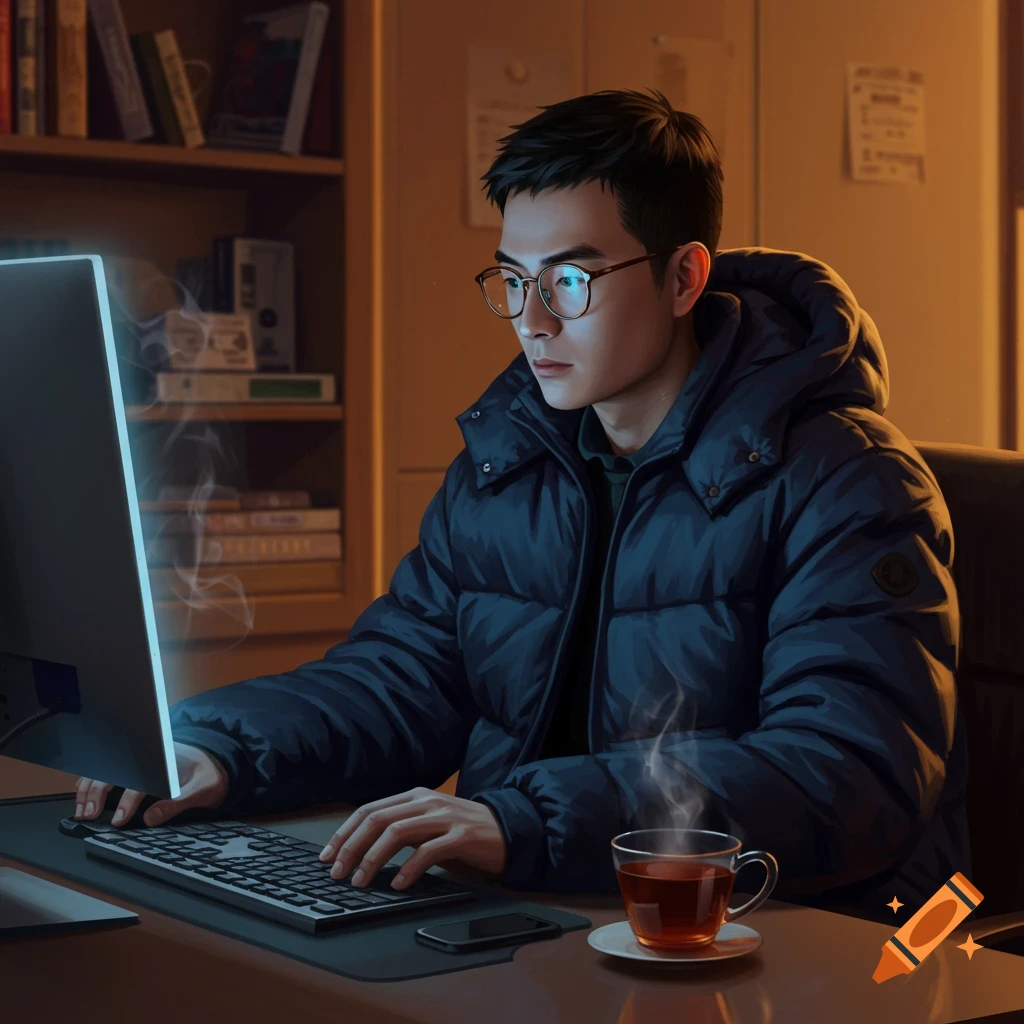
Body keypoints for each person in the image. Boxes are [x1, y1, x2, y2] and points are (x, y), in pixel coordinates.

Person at [75, 88, 969, 918]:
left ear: (685, 279)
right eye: (511, 279)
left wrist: (524, 822)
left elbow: (848, 773)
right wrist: (212, 747)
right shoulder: (511, 461)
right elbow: (404, 680)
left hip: (770, 943)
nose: (532, 320)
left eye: (571, 281)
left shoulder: (850, 482)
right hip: (546, 912)